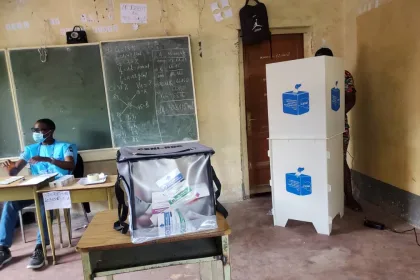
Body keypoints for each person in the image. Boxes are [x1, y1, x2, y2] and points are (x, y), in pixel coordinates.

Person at [0, 119, 77, 269]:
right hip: (35, 188)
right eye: (34, 130)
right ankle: (3, 248)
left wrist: (48, 159)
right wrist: (10, 169)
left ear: (50, 131)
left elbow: (70, 165)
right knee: (10, 203)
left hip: (56, 188)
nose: (36, 133)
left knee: (43, 204)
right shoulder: (31, 149)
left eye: (40, 130)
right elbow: (15, 169)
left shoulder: (64, 147)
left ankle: (40, 248)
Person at [315, 47, 362, 212]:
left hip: (338, 127)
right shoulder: (311, 76)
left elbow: (351, 99)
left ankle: (349, 198)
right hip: (315, 129)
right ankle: (320, 198)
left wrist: (334, 115)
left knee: (340, 161)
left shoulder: (344, 75)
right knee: (316, 162)